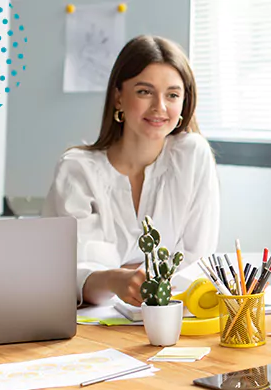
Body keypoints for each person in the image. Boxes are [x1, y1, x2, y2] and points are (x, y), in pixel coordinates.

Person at [43, 35, 220, 307]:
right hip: (91, 329)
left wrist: (108, 276)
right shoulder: (77, 169)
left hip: (174, 319)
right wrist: (114, 280)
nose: (159, 107)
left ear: (184, 102)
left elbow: (198, 261)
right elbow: (66, 275)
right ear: (118, 97)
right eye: (144, 91)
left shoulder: (192, 156)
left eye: (172, 95)